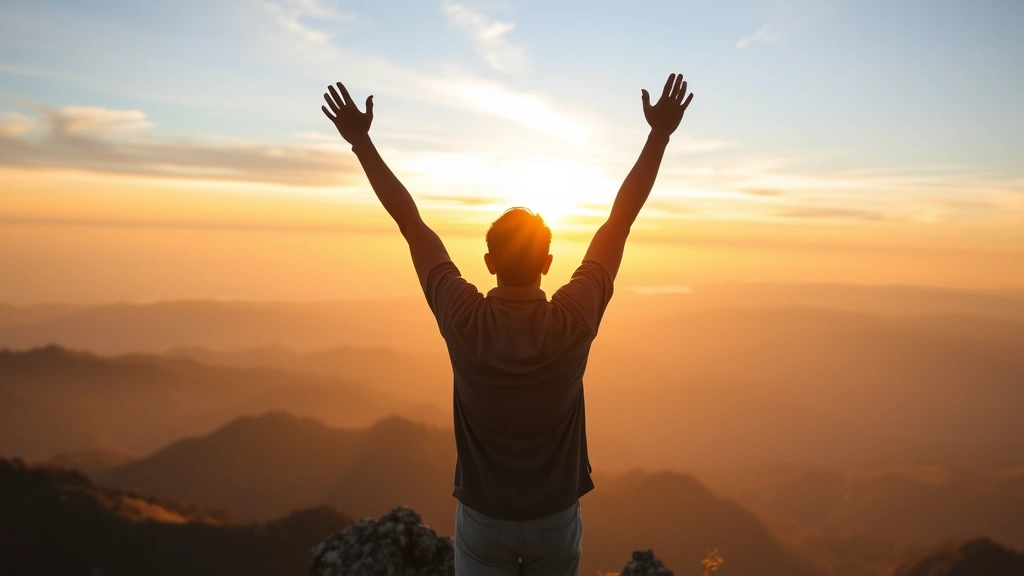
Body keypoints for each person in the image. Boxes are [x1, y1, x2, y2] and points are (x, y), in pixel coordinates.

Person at [321, 73, 694, 576]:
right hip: (555, 520)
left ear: (490, 262)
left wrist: (361, 142)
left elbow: (411, 224)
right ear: (547, 262)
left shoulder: (463, 317)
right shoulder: (574, 318)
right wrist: (659, 136)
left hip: (484, 518)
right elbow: (619, 221)